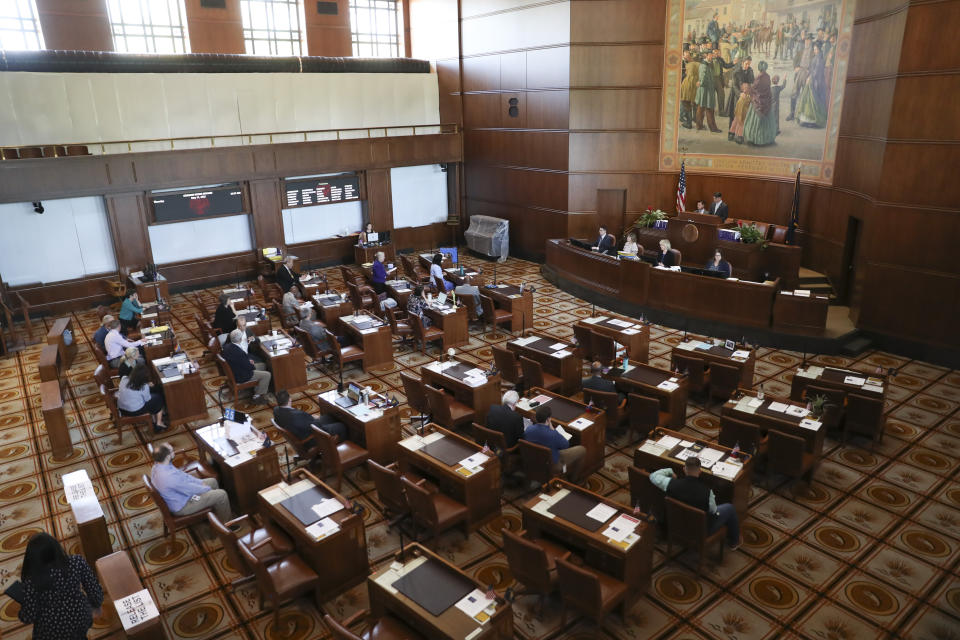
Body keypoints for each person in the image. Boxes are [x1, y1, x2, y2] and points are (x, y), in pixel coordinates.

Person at [17, 532, 103, 639]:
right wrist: (96, 604)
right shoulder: (77, 562)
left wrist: (21, 612)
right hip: (81, 616)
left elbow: (28, 617)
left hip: (51, 630)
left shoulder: (31, 580)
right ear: (56, 547)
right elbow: (94, 592)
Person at [650, 457, 741, 549]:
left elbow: (653, 476)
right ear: (700, 471)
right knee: (729, 508)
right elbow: (713, 511)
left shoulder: (670, 483)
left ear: (684, 469)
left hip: (675, 525)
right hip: (699, 532)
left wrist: (670, 471)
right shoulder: (707, 492)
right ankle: (734, 542)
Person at [151, 442, 232, 523]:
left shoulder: (158, 466)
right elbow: (189, 489)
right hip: (184, 505)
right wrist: (206, 488)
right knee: (221, 494)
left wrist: (199, 482)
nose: (174, 452)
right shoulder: (169, 477)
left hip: (181, 496)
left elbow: (183, 476)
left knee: (213, 481)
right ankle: (226, 524)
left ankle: (216, 511)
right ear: (168, 456)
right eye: (172, 451)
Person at [523, 405, 586, 482]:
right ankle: (574, 480)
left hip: (534, 460)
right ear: (548, 419)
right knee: (582, 449)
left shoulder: (529, 429)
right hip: (552, 464)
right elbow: (566, 445)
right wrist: (552, 429)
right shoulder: (552, 434)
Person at [273, 389, 347, 444]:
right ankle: (338, 454)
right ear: (290, 399)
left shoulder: (276, 410)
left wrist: (311, 419)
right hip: (310, 438)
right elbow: (316, 427)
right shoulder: (297, 416)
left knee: (329, 417)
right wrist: (314, 419)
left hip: (300, 430)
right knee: (341, 426)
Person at [222, 329, 271, 404]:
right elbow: (250, 368)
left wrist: (247, 362)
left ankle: (257, 387)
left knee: (263, 365)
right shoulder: (239, 352)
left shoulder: (226, 347)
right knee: (267, 375)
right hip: (241, 375)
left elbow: (241, 361)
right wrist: (250, 364)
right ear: (241, 339)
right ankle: (257, 397)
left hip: (234, 370)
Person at [118, 362, 167, 432]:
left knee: (153, 398)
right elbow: (148, 399)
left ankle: (153, 419)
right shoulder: (143, 386)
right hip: (134, 411)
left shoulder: (124, 378)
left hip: (122, 409)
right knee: (158, 398)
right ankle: (159, 423)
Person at [743, 60, 776, 146]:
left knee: (755, 121)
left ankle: (755, 139)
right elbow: (768, 89)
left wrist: (748, 89)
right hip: (766, 102)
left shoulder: (759, 77)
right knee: (767, 121)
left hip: (758, 102)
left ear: (759, 68)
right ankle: (766, 139)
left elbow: (753, 88)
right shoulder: (768, 76)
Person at [695, 49, 722, 132]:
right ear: (706, 55)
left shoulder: (708, 63)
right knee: (708, 108)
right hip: (705, 90)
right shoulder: (704, 65)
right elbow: (702, 79)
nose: (712, 56)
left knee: (701, 108)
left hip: (706, 90)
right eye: (710, 55)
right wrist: (701, 83)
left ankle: (699, 126)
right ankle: (712, 128)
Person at [679, 50, 700, 129]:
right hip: (695, 86)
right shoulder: (699, 64)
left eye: (687, 56)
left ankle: (689, 123)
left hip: (688, 85)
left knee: (686, 103)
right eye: (685, 56)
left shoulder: (690, 65)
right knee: (694, 104)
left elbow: (689, 76)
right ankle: (696, 121)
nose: (686, 58)